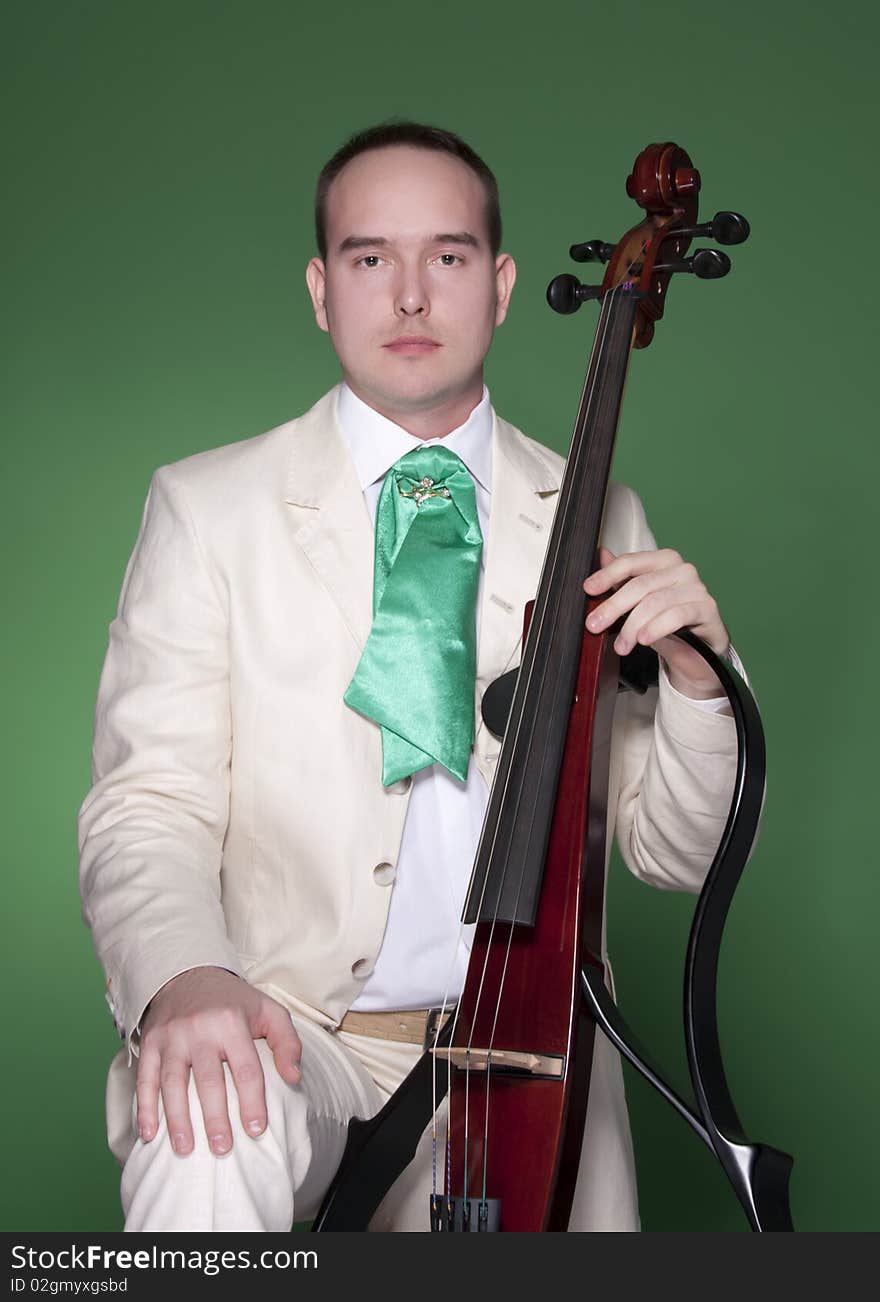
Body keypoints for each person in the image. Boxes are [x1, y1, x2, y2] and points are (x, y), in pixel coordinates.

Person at [78, 121, 742, 1233]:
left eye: (447, 256)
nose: (409, 298)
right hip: (300, 1034)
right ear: (320, 290)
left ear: (502, 285)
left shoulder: (595, 516)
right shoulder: (209, 508)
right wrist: (183, 981)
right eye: (367, 258)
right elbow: (148, 804)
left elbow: (674, 856)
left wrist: (700, 681)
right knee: (203, 1125)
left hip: (532, 1060)